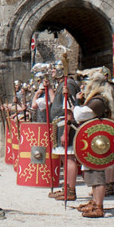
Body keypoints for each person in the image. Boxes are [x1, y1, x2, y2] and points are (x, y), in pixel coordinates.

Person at [70, 67, 114, 219]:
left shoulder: (99, 100)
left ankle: (99, 206)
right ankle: (94, 202)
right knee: (91, 172)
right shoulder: (98, 98)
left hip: (98, 143)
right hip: (93, 141)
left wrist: (76, 103)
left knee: (97, 173)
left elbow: (80, 115)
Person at [47, 61, 82, 202]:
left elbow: (70, 110)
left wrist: (65, 132)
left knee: (69, 157)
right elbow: (57, 102)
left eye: (55, 69)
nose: (52, 72)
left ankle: (71, 191)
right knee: (64, 157)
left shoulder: (69, 85)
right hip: (61, 124)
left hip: (67, 125)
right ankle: (65, 188)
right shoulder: (62, 85)